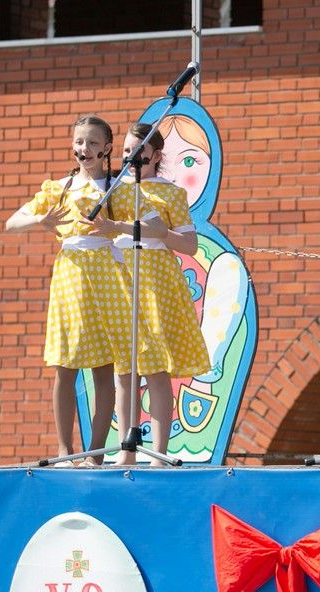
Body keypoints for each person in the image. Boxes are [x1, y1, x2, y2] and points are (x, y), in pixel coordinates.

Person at [4, 114, 164, 467]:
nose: (84, 148)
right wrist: (40, 220)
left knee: (104, 367)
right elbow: (12, 222)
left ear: (107, 148)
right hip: (70, 277)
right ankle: (64, 451)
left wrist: (116, 227)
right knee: (65, 364)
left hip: (107, 276)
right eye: (79, 141)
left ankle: (95, 453)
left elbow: (156, 226)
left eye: (92, 142)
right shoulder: (59, 188)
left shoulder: (119, 187)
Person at [108, 122, 211, 466]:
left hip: (155, 283)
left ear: (155, 156)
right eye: (126, 151)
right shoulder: (112, 191)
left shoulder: (170, 193)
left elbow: (190, 244)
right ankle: (125, 451)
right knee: (124, 370)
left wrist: (160, 232)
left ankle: (159, 454)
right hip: (120, 279)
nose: (130, 157)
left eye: (138, 151)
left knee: (155, 369)